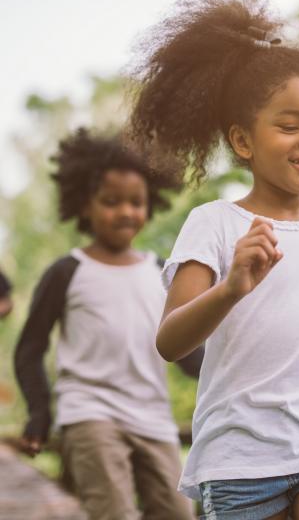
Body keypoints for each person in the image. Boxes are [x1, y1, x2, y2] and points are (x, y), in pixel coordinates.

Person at [127, 0, 299, 520]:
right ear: (243, 140)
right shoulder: (214, 224)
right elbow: (171, 341)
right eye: (290, 126)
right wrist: (231, 288)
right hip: (241, 459)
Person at [14, 129, 200, 520]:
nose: (126, 212)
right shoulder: (67, 272)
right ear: (85, 205)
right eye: (111, 202)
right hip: (89, 413)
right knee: (112, 512)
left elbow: (184, 351)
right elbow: (30, 349)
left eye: (136, 202)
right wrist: (39, 412)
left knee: (180, 512)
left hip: (152, 415)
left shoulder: (160, 271)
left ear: (150, 206)